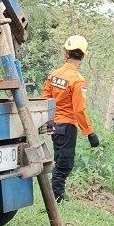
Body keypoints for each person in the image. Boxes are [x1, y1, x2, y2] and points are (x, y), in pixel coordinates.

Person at [42, 35, 100, 202]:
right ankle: (56, 197)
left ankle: (56, 195)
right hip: (66, 126)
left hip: (53, 124)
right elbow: (79, 110)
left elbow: (45, 99)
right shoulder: (78, 80)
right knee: (65, 164)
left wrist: (47, 123)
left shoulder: (54, 75)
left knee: (60, 158)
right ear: (82, 56)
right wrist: (90, 133)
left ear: (66, 54)